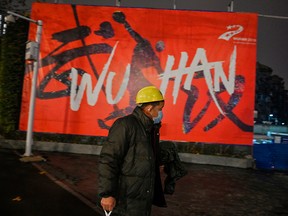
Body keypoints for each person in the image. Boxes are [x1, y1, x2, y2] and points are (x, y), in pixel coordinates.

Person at [98, 86, 167, 216]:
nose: (161, 113)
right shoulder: (125, 125)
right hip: (127, 196)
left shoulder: (151, 128)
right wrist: (107, 194)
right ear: (149, 108)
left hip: (142, 195)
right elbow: (108, 159)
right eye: (160, 109)